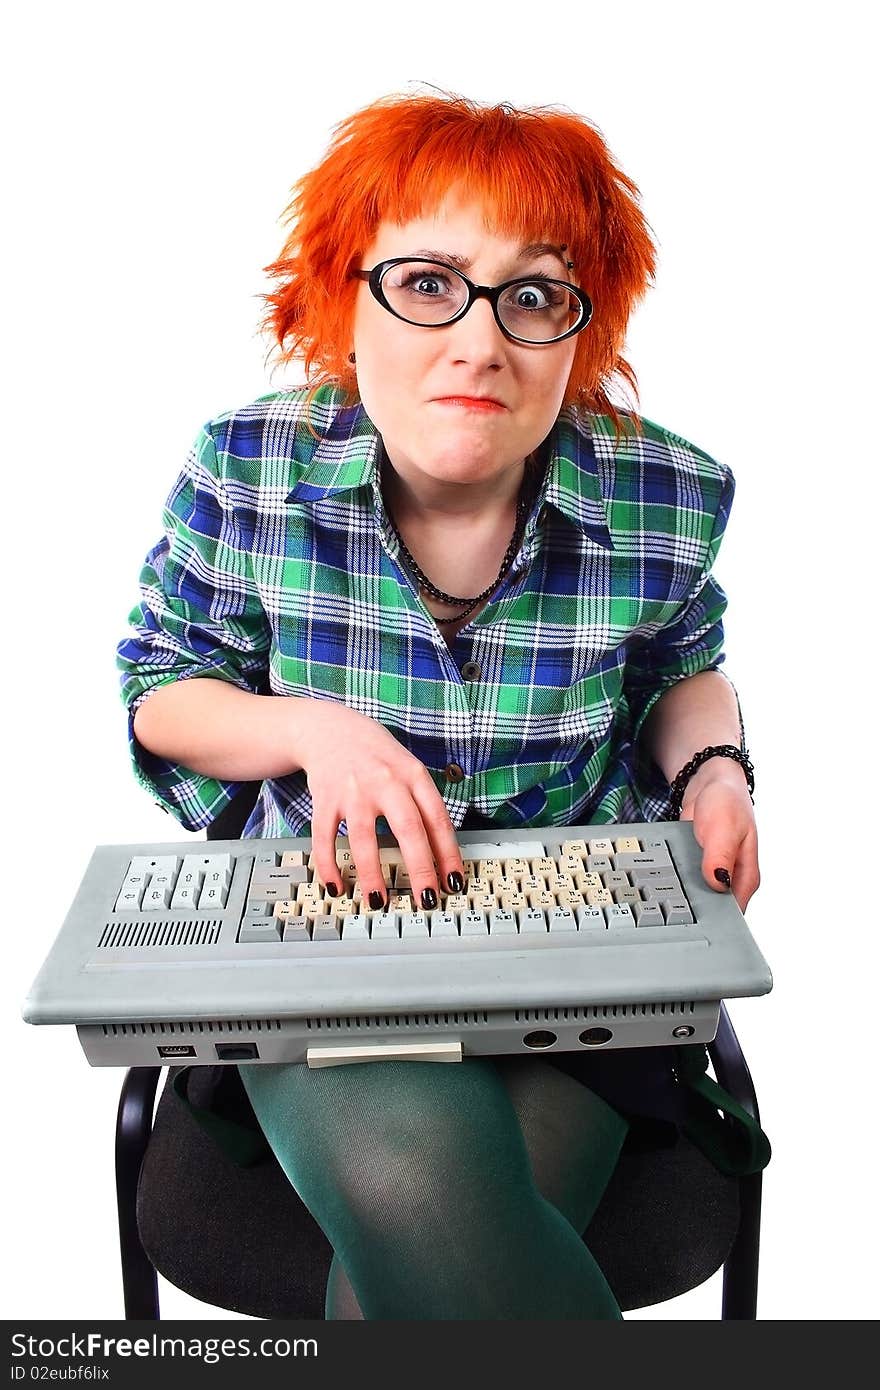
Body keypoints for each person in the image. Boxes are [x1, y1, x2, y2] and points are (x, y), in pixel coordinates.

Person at [117, 91, 760, 1320]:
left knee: (411, 1280)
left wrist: (714, 771)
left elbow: (683, 664)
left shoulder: (664, 491)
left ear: (583, 328)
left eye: (531, 295)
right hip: (326, 932)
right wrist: (313, 728)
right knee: (422, 1194)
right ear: (342, 300)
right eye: (425, 282)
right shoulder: (245, 472)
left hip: (582, 945)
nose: (478, 341)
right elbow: (161, 685)